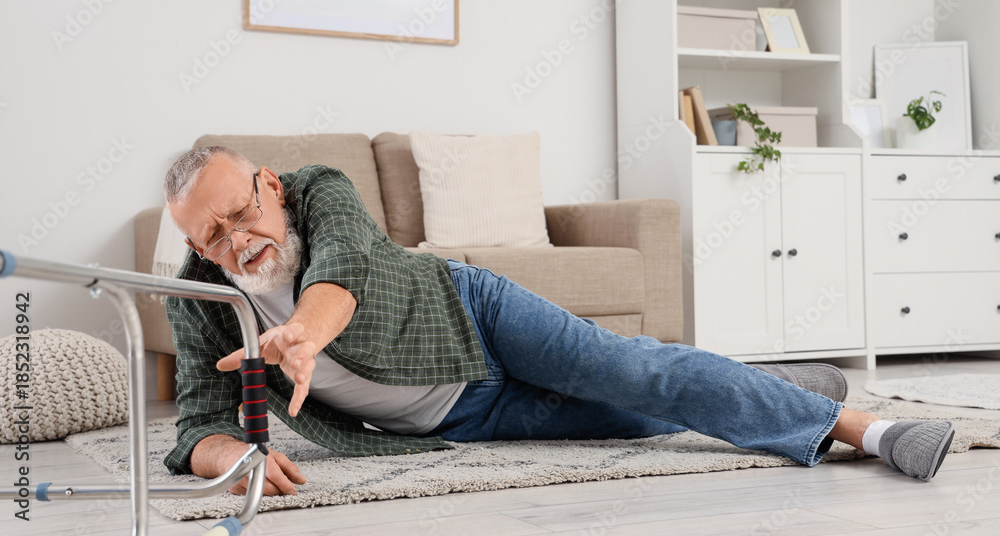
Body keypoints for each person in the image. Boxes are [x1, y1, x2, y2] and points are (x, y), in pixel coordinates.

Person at [161, 146, 955, 497]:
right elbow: (197, 424)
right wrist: (235, 454)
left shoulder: (319, 188)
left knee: (635, 369)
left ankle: (869, 429)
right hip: (462, 417)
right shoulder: (200, 296)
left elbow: (347, 267)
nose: (239, 239)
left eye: (242, 211)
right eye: (214, 235)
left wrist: (305, 331)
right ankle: (780, 391)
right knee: (642, 418)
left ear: (270, 185)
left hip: (475, 316)